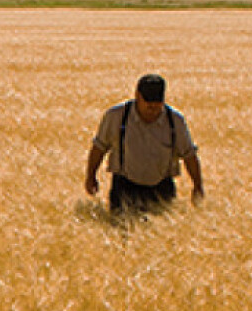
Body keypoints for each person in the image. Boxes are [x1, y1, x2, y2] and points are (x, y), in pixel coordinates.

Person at [85, 74, 204, 213]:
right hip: (125, 188)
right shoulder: (116, 116)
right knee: (121, 225)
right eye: (148, 103)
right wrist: (91, 176)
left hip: (162, 190)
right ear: (137, 95)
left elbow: (189, 155)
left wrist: (197, 185)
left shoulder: (175, 121)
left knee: (162, 226)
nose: (152, 108)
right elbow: (99, 148)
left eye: (157, 104)